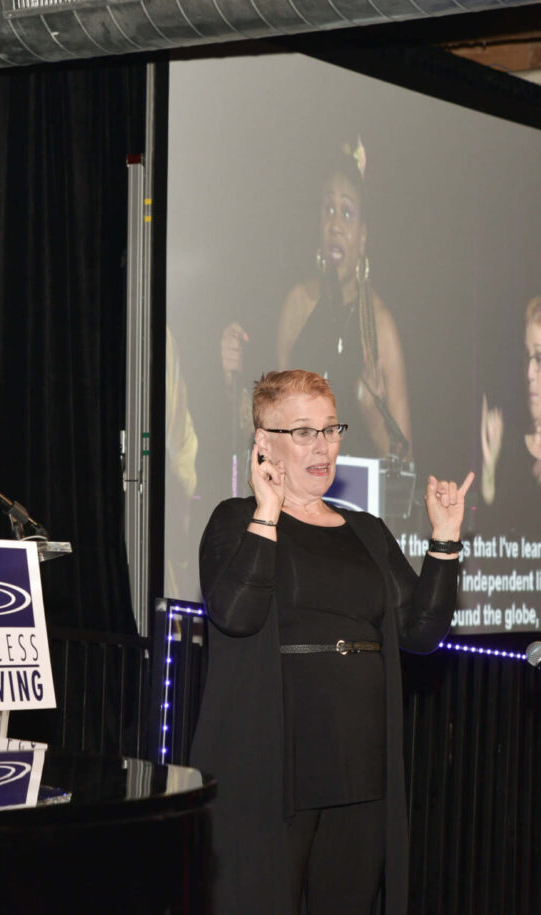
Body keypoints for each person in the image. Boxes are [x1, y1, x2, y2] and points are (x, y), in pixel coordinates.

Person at [189, 369, 472, 914]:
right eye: (303, 432)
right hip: (281, 762)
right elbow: (236, 614)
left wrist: (444, 541)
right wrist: (267, 513)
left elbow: (420, 631)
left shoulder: (365, 530)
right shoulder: (235, 521)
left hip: (360, 759)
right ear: (263, 444)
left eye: (330, 429)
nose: (323, 446)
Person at [275, 139, 412, 459]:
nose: (335, 224)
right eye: (329, 211)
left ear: (363, 238)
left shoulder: (379, 325)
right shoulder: (297, 304)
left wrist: (371, 411)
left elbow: (405, 463)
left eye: (347, 213)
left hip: (358, 503)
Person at [480, 295, 541, 530]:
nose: (529, 373)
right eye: (527, 358)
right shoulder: (510, 449)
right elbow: (493, 543)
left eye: (539, 358)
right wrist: (489, 471)